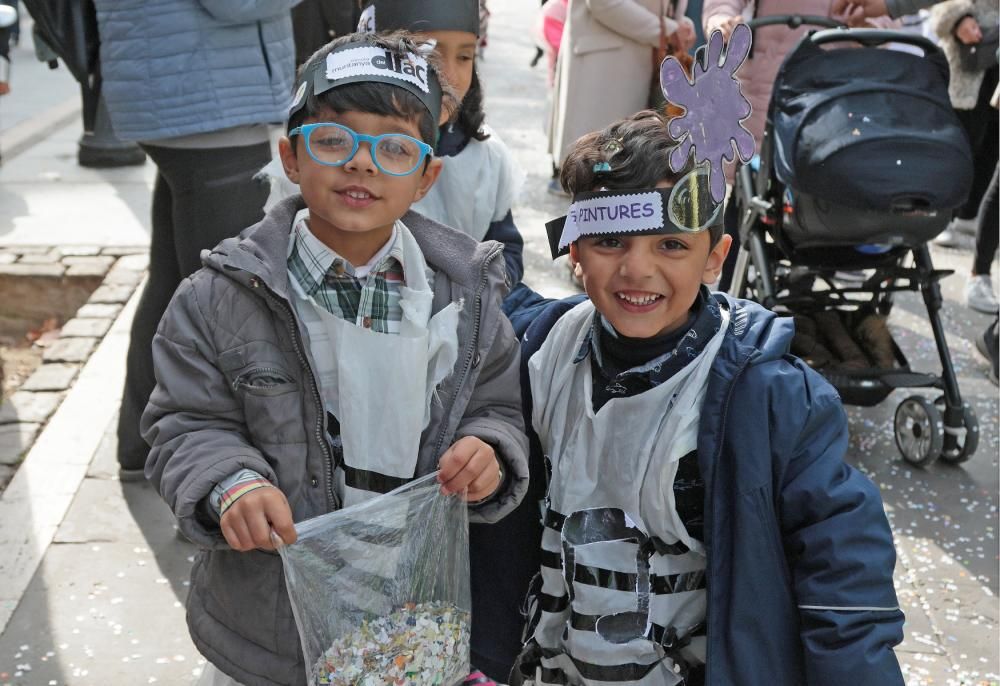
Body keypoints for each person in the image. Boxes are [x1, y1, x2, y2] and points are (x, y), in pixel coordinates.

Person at [142, 32, 529, 686]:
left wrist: (488, 448)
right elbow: (185, 424)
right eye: (333, 141)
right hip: (272, 626)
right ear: (291, 156)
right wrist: (232, 483)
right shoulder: (219, 299)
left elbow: (496, 404)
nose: (362, 164)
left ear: (427, 175)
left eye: (395, 147)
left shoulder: (465, 298)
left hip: (408, 620)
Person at [510, 110, 904, 685]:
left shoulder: (772, 401)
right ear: (573, 250)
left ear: (715, 258)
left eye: (671, 244)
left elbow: (843, 570)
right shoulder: (540, 351)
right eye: (609, 241)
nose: (636, 269)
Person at [91, 0, 299, 479]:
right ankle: (216, 482)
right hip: (206, 95)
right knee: (232, 305)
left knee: (174, 282)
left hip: (186, 86)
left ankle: (143, 448)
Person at [703, 0, 895, 290]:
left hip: (827, 85)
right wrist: (721, 19)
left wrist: (871, 27)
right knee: (749, 191)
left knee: (809, 193)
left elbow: (882, 13)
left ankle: (798, 289)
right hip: (765, 83)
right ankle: (730, 287)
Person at [358, 0, 527, 292]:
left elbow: (506, 251)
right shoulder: (347, 153)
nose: (449, 73)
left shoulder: (484, 153)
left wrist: (480, 296)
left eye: (464, 56)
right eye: (429, 53)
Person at [548, 0, 695, 195]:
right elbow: (602, 4)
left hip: (640, 61)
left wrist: (678, 23)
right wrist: (666, 29)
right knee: (596, 177)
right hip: (605, 66)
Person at [929, 0, 999, 313]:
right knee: (961, 147)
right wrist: (960, 17)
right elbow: (937, 9)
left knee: (991, 152)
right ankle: (947, 213)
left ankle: (969, 215)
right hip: (970, 65)